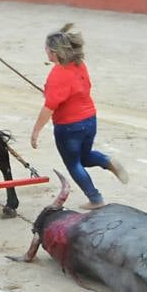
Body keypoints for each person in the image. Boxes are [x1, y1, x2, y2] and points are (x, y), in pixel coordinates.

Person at [30, 24, 128, 210]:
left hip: (69, 126)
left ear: (54, 52)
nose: (45, 51)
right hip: (90, 120)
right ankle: (106, 161)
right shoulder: (79, 65)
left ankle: (95, 198)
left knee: (74, 164)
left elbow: (50, 107)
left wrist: (35, 131)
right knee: (84, 157)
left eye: (47, 49)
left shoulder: (57, 74)